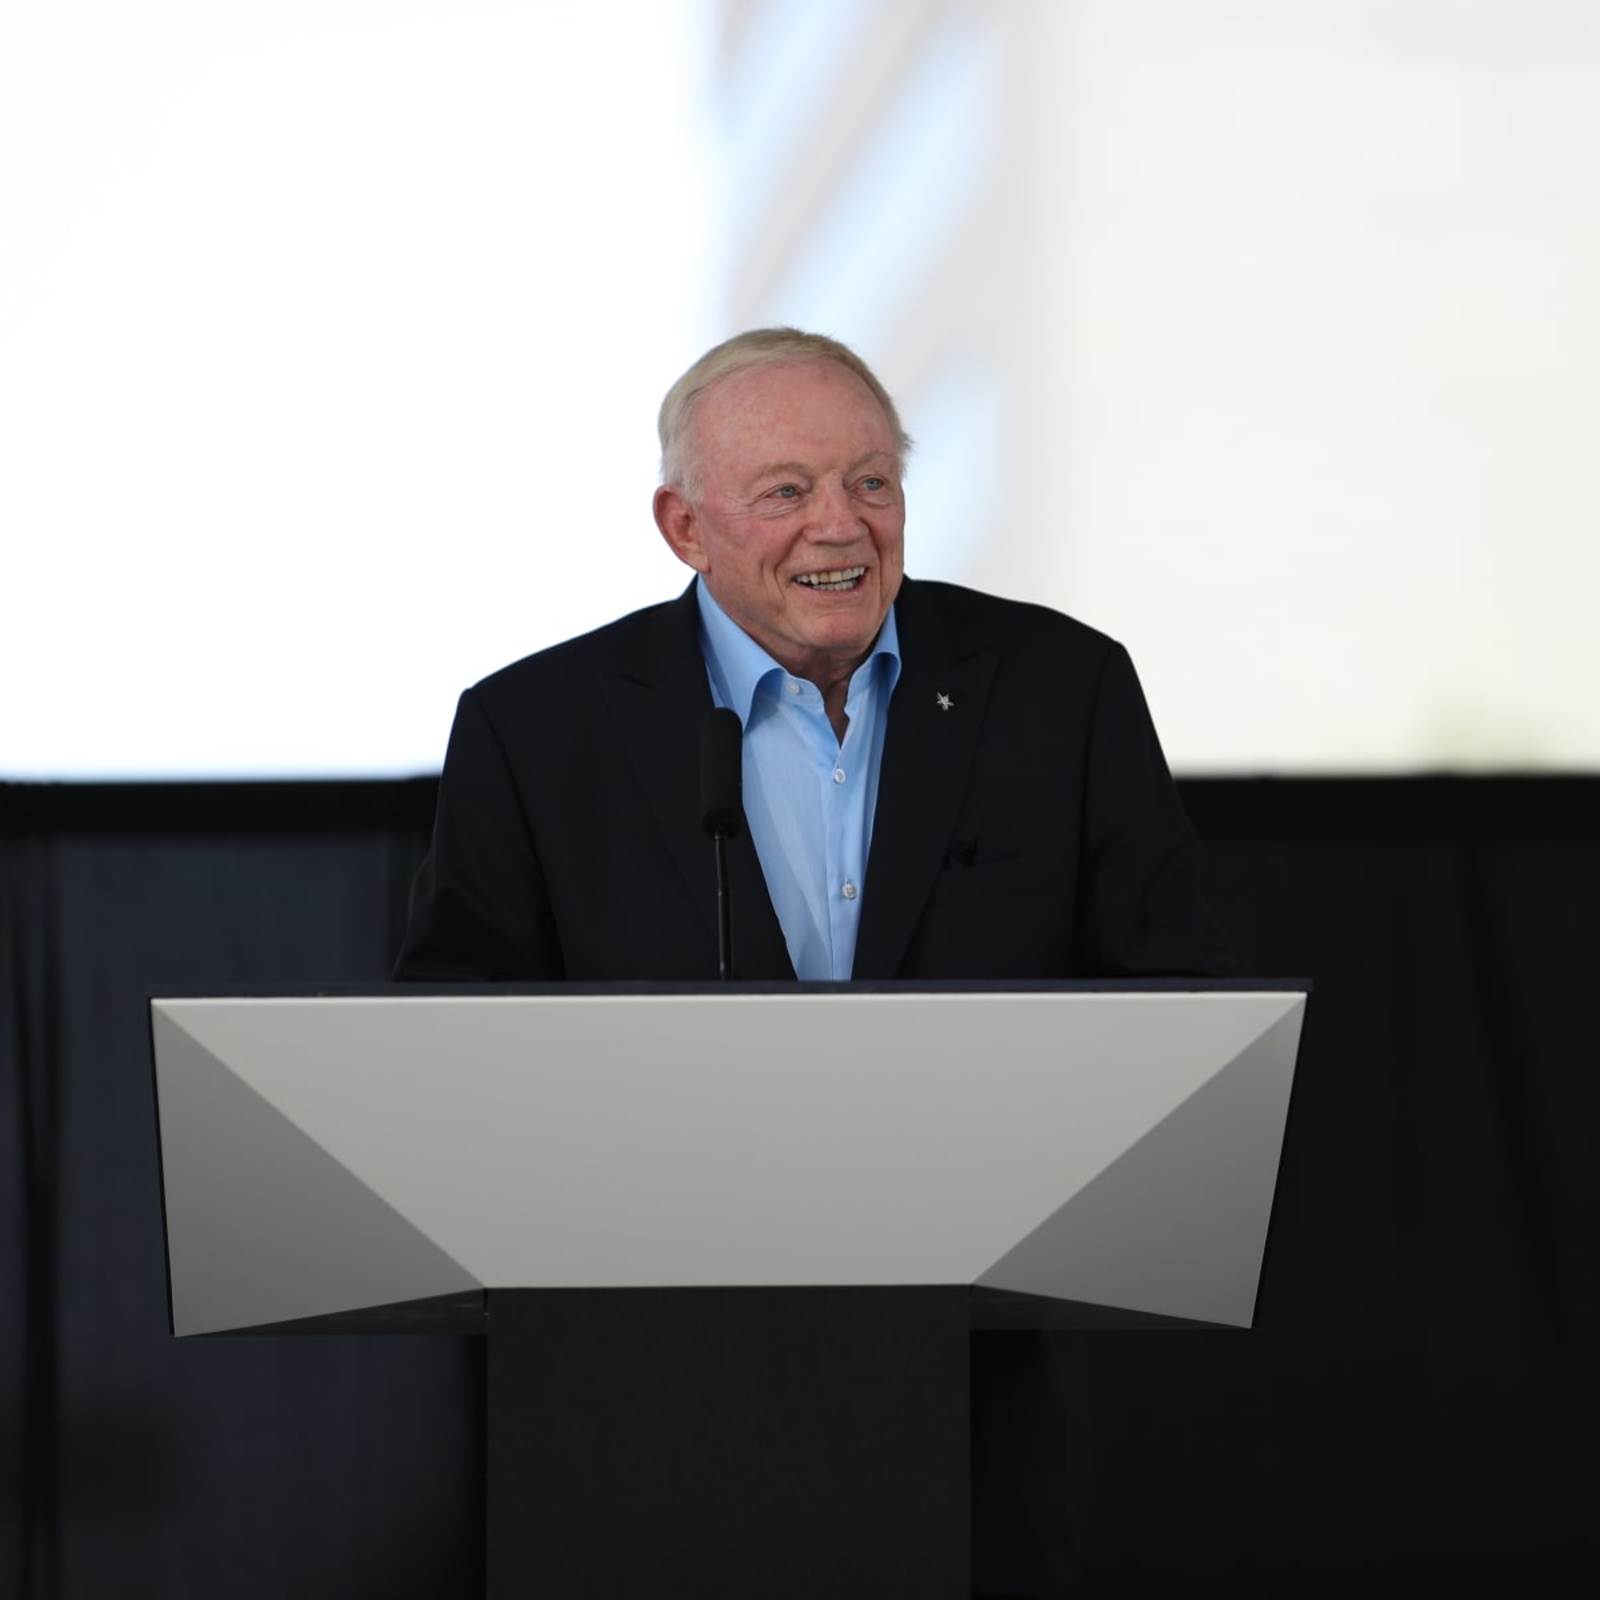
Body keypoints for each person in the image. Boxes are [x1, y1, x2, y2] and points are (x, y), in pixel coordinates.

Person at [395, 327, 1234, 1596]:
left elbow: (1175, 1016)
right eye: (786, 490)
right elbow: (453, 1061)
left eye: (872, 481)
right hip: (646, 1402)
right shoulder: (536, 730)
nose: (840, 524)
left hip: (969, 1390)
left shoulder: (1061, 691)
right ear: (684, 525)